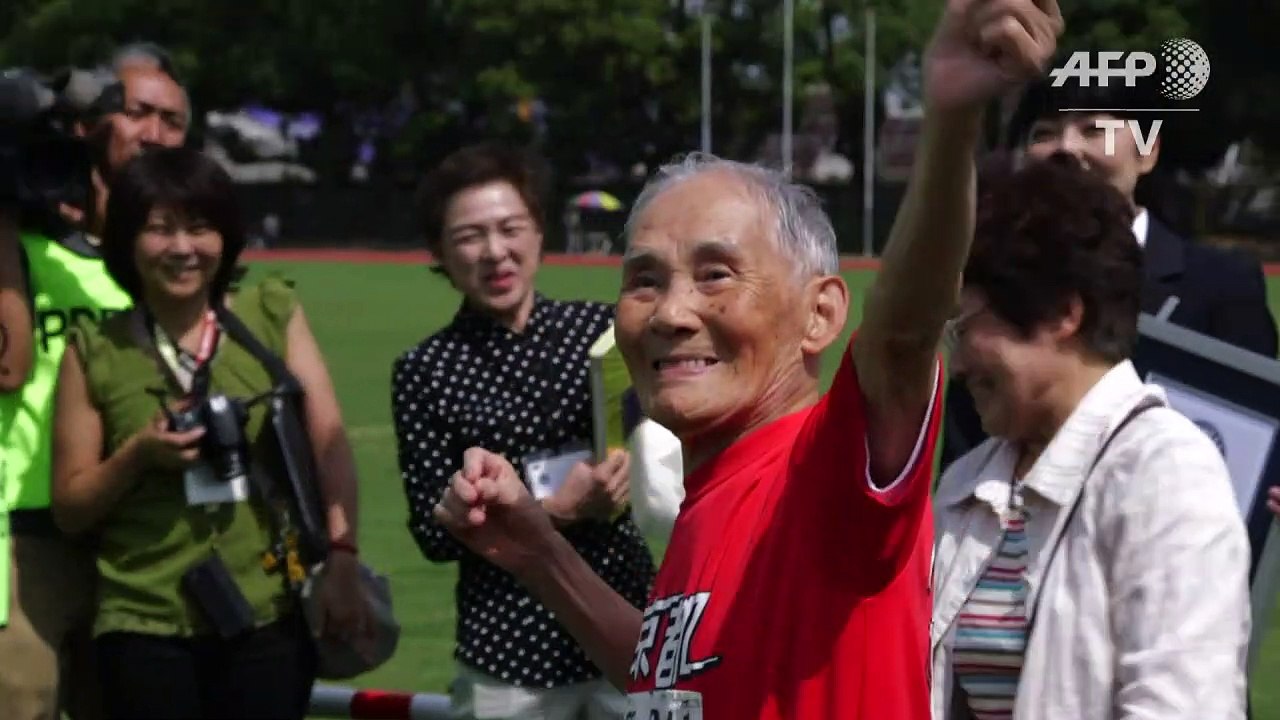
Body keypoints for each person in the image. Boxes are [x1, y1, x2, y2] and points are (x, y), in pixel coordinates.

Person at [429, 1, 1064, 717]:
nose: (671, 312)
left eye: (716, 274)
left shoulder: (824, 470)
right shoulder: (706, 496)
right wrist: (539, 554)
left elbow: (904, 335)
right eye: (645, 279)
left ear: (820, 314)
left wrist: (950, 123)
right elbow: (672, 685)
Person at [47, 146, 372, 720]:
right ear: (127, 241)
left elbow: (329, 444)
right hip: (143, 620)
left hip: (269, 608)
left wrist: (343, 557)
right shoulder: (95, 350)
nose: (181, 248)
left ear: (225, 236)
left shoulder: (270, 314)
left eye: (199, 227)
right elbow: (71, 508)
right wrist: (138, 456)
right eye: (159, 229)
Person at [929, 155, 1250, 718]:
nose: (955, 365)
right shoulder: (969, 482)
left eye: (968, 326)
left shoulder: (1163, 475)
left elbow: (1181, 705)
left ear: (1061, 315)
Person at [391, 142, 655, 719]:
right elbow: (432, 535)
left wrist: (637, 469)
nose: (495, 252)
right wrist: (551, 510)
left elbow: (670, 437)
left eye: (510, 227)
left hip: (629, 622)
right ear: (439, 250)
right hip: (509, 652)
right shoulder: (425, 369)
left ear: (539, 231)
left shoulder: (602, 330)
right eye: (469, 236)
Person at [939, 70, 1279, 469]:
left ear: (1147, 151)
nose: (1066, 148)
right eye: (1044, 133)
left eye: (1093, 129)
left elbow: (1256, 443)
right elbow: (965, 457)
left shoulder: (1223, 285)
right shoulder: (986, 289)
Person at [0, 45, 190, 720]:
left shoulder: (183, 260)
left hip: (143, 535)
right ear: (86, 123)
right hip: (29, 532)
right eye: (135, 112)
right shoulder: (23, 241)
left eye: (173, 121)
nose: (155, 133)